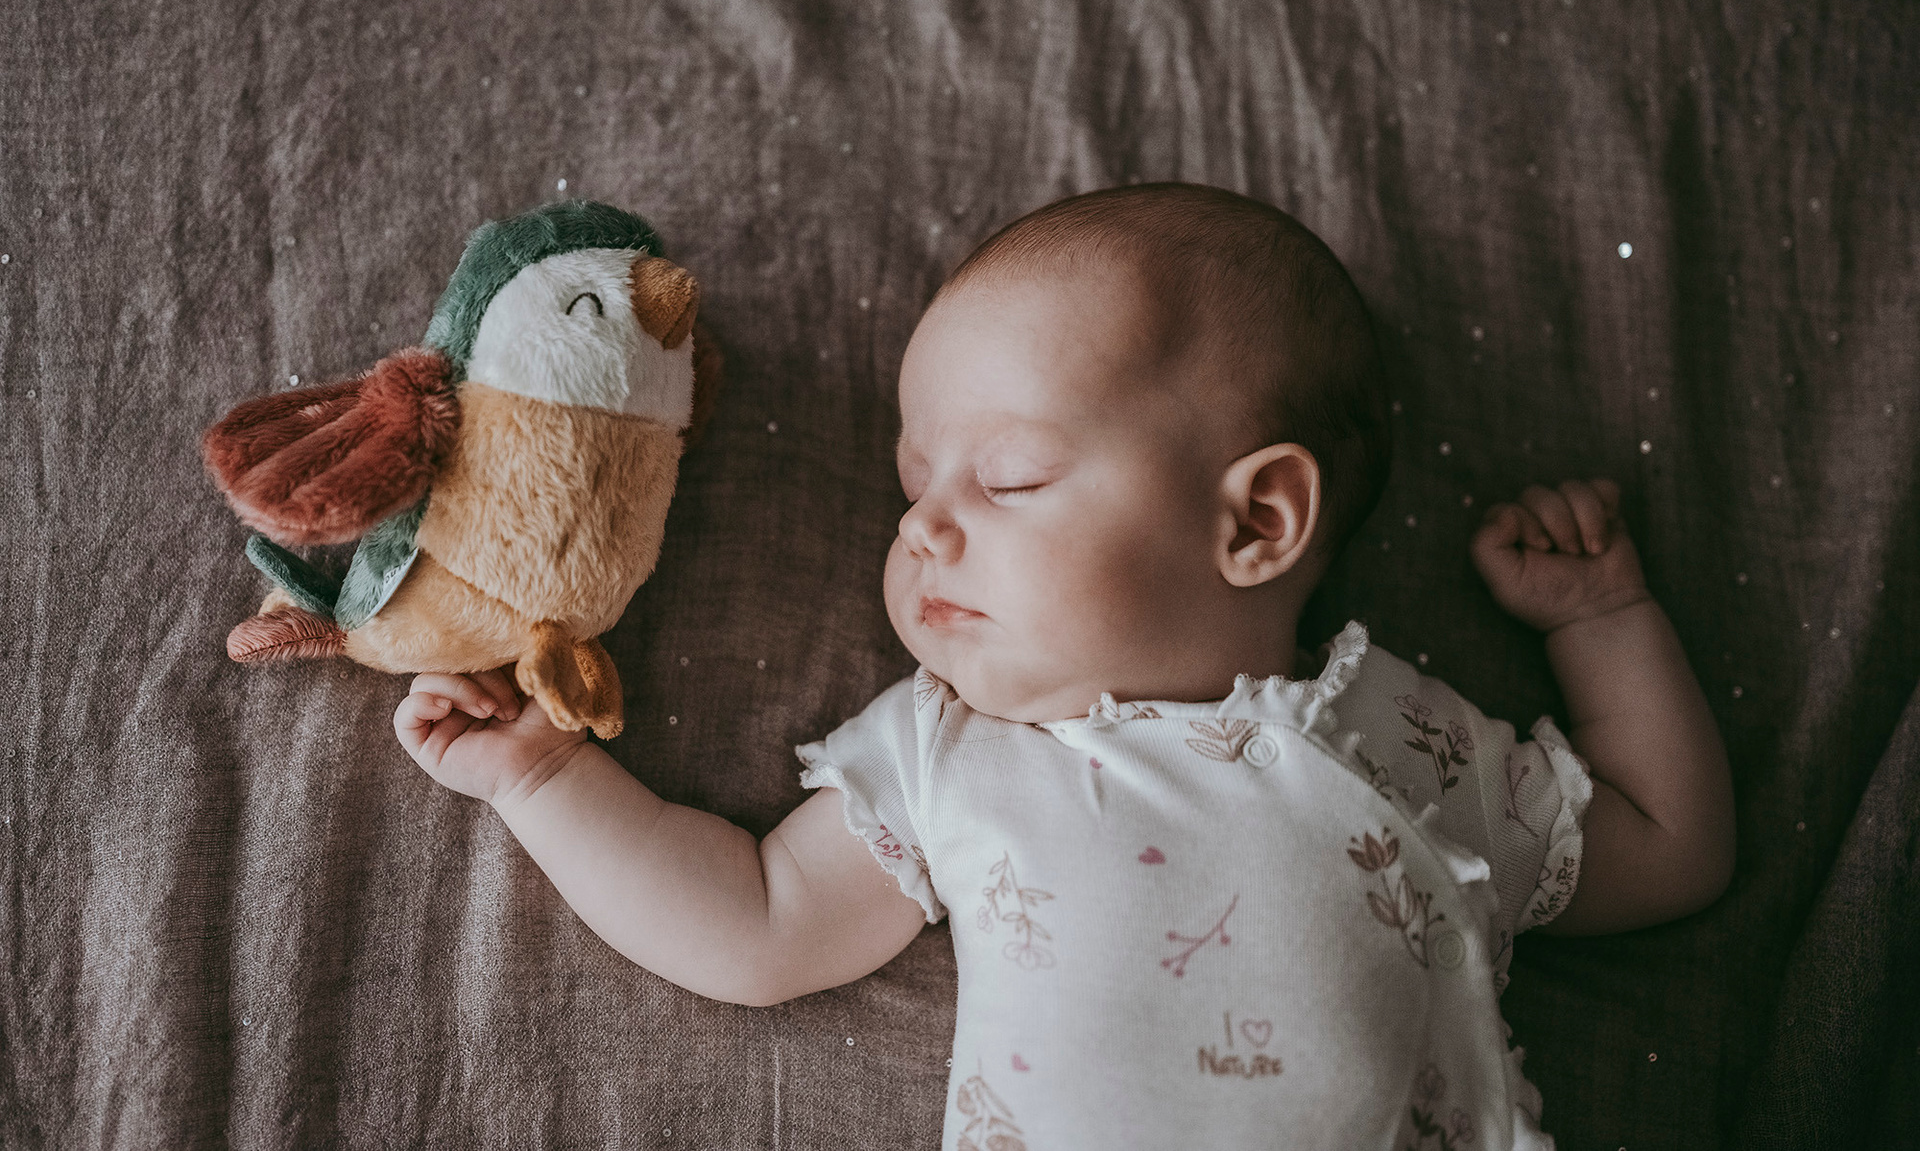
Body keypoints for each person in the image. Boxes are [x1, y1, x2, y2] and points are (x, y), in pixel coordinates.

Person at [393, 183, 1735, 1149]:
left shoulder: (1399, 738)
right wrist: (545, 778)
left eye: (1012, 477)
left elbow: (1670, 847)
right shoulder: (949, 750)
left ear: (1258, 522)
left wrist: (1602, 618)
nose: (923, 529)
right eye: (915, 485)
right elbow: (756, 922)